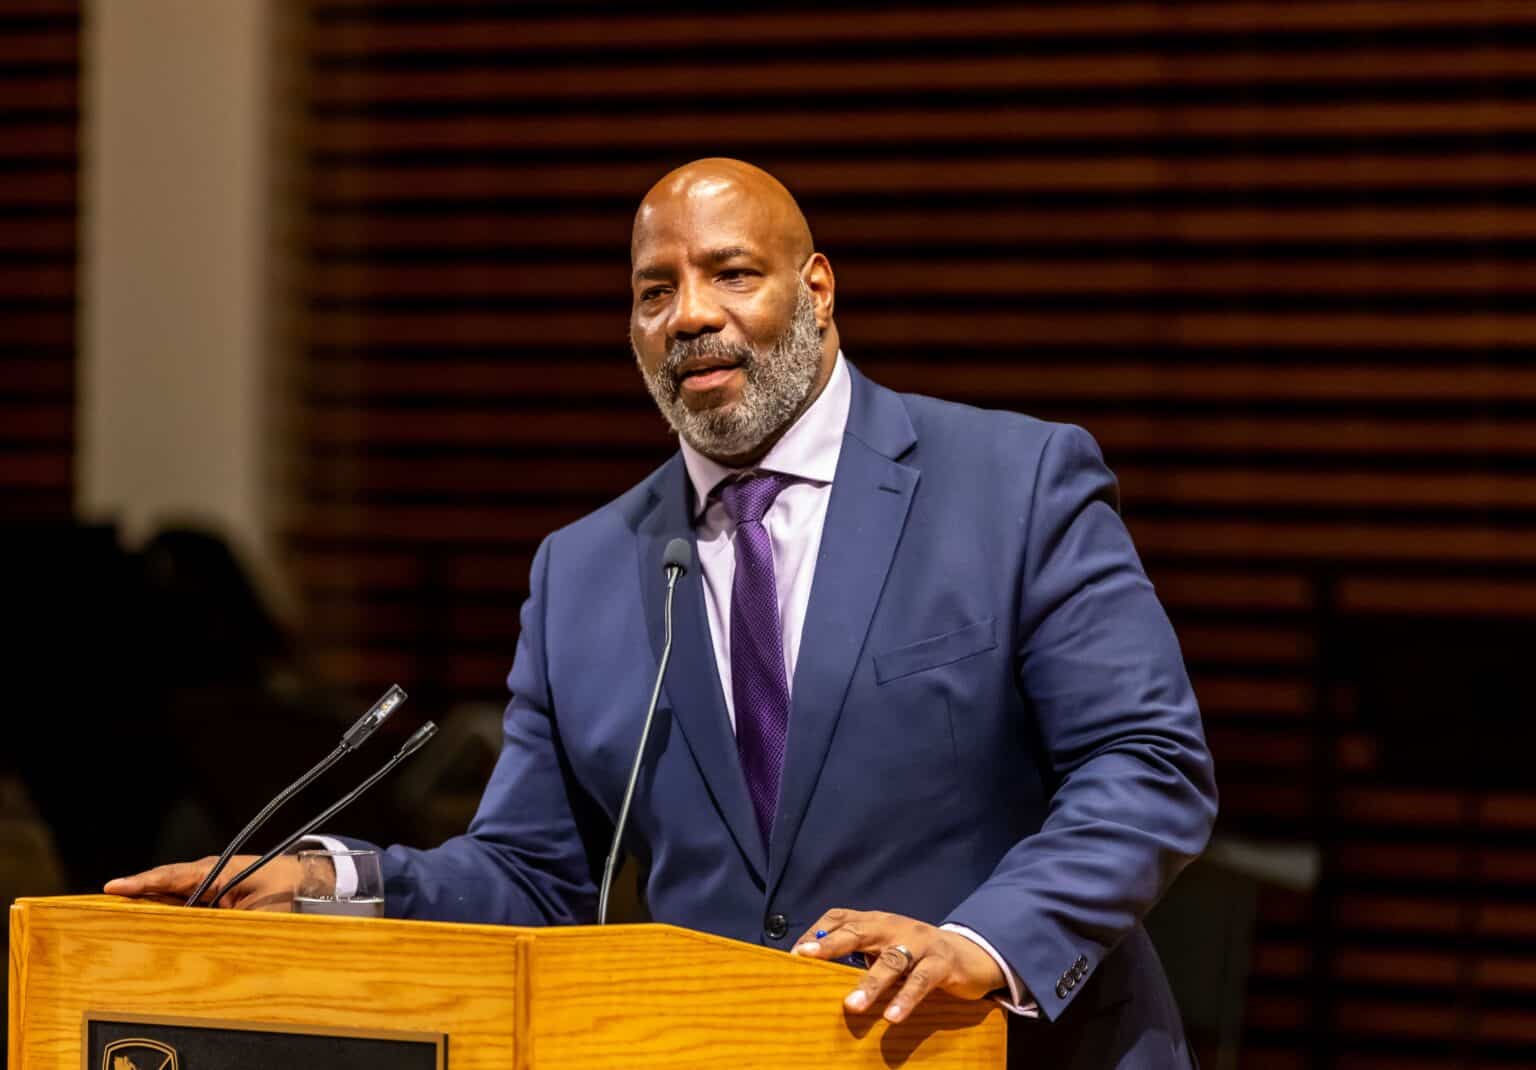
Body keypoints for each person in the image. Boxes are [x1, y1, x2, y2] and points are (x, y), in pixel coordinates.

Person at [109, 158, 1217, 1068]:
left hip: (1002, 1051)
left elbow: (1148, 763)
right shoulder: (585, 568)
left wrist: (983, 940)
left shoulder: (1012, 482)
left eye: (732, 273)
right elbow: (533, 873)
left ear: (818, 291)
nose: (690, 314)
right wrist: (331, 878)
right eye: (654, 289)